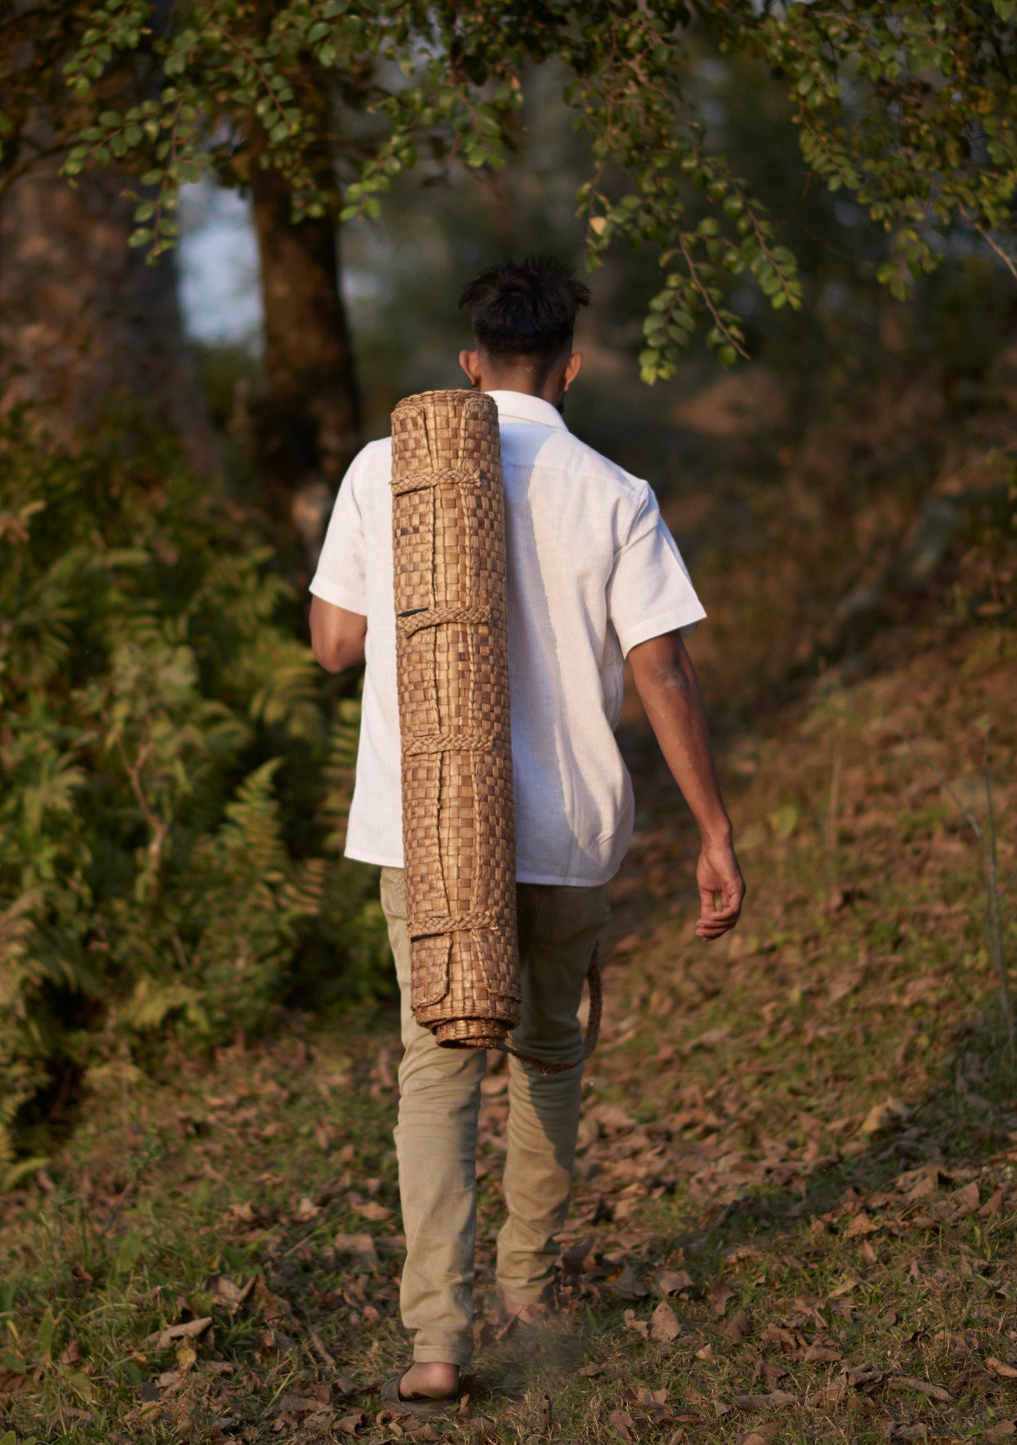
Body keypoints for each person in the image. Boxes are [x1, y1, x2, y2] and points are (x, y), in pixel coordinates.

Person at [308, 256, 745, 1414]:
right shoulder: (614, 490)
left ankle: (437, 1338)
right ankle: (528, 1285)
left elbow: (335, 644)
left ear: (467, 366)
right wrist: (712, 829)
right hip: (564, 832)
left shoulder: (380, 467)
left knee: (435, 1068)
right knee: (549, 1057)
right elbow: (662, 668)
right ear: (571, 366)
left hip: (425, 829)